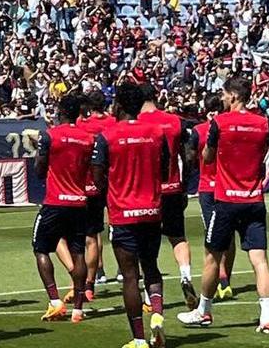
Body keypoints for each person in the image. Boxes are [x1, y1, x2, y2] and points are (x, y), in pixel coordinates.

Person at [177, 76, 269, 334]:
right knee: (260, 260)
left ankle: (204, 311)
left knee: (212, 256)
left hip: (226, 200)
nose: (222, 97)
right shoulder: (262, 123)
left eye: (224, 93)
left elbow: (207, 157)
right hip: (253, 200)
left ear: (233, 95)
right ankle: (266, 317)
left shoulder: (219, 122)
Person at [90, 82, 168, 348]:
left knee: (130, 276)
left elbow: (98, 177)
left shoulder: (107, 136)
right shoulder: (157, 133)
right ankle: (156, 314)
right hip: (152, 212)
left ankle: (138, 338)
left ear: (119, 105)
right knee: (152, 268)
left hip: (123, 214)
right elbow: (166, 171)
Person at [32, 93, 94, 323]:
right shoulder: (88, 139)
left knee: (40, 248)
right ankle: (78, 309)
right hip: (79, 202)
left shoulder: (50, 135)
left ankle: (55, 300)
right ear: (78, 113)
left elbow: (39, 169)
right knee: (78, 253)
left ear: (60, 112)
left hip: (55, 202)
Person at [135, 84, 196, 310]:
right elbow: (189, 157)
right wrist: (184, 186)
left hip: (147, 192)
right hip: (173, 188)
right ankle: (185, 275)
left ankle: (150, 296)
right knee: (178, 237)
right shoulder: (175, 121)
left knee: (147, 245)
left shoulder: (137, 123)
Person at [64, 89, 115, 303]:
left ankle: (80, 279)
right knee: (96, 235)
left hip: (80, 186)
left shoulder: (82, 127)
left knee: (74, 238)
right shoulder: (113, 123)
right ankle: (91, 282)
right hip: (106, 184)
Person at [189, 94, 235, 300]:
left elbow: (190, 156)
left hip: (208, 188)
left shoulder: (199, 131)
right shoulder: (229, 127)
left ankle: (219, 278)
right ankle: (225, 280)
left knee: (212, 236)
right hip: (228, 186)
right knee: (229, 236)